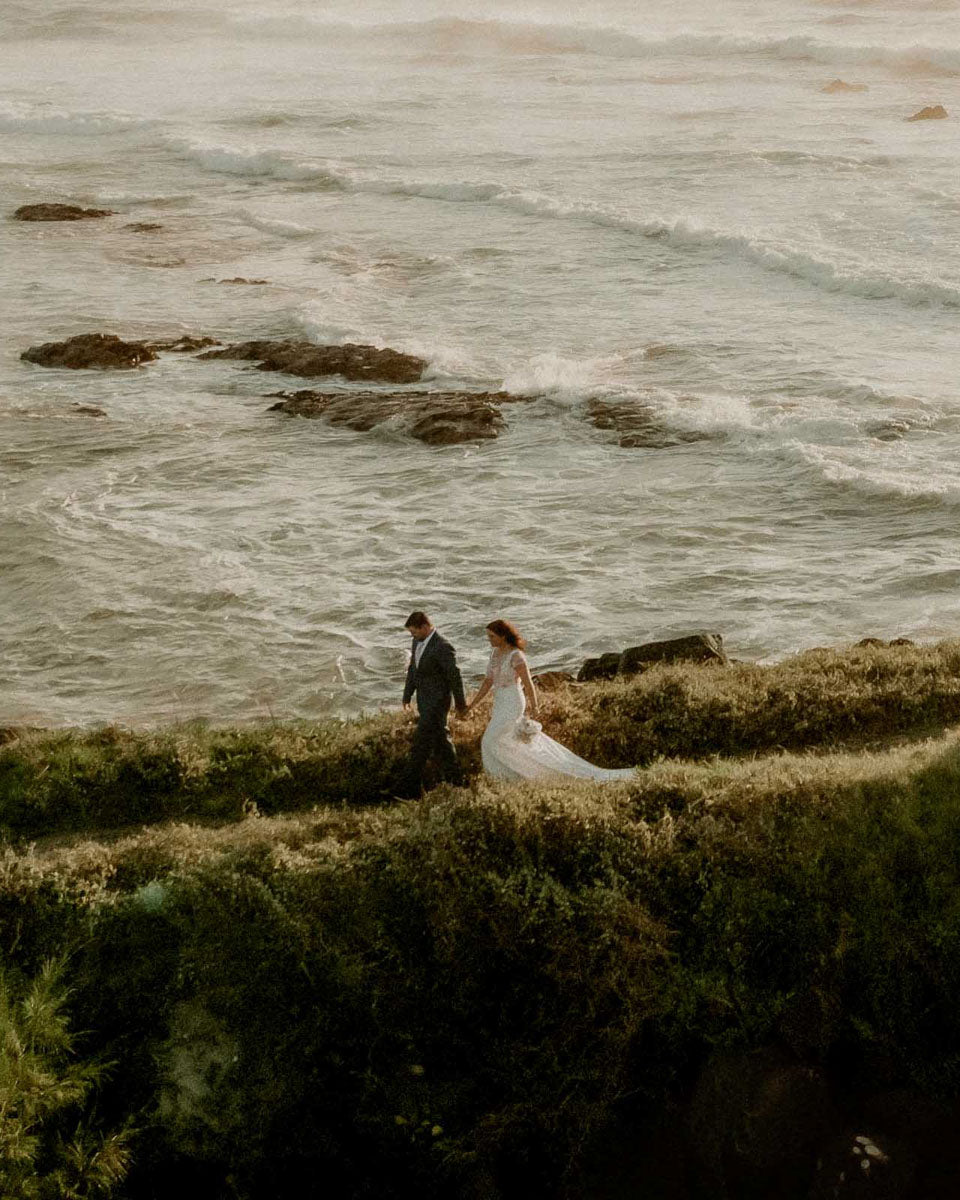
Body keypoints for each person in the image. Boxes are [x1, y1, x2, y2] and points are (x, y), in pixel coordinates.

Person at [465, 619, 636, 782]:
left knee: (489, 740)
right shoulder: (495, 653)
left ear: (503, 636)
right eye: (488, 636)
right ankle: (515, 777)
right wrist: (472, 705)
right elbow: (488, 682)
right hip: (500, 703)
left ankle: (508, 777)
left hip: (513, 702)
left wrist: (535, 705)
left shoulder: (516, 656)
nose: (489, 640)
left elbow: (528, 683)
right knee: (507, 743)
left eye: (492, 636)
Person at [401, 610, 468, 793]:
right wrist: (407, 696)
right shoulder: (417, 641)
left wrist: (461, 706)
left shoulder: (443, 646)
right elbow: (413, 671)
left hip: (438, 704)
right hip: (423, 701)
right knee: (442, 743)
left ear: (425, 627)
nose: (412, 636)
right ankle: (457, 783)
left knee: (420, 746)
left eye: (414, 632)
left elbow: (455, 678)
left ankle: (407, 789)